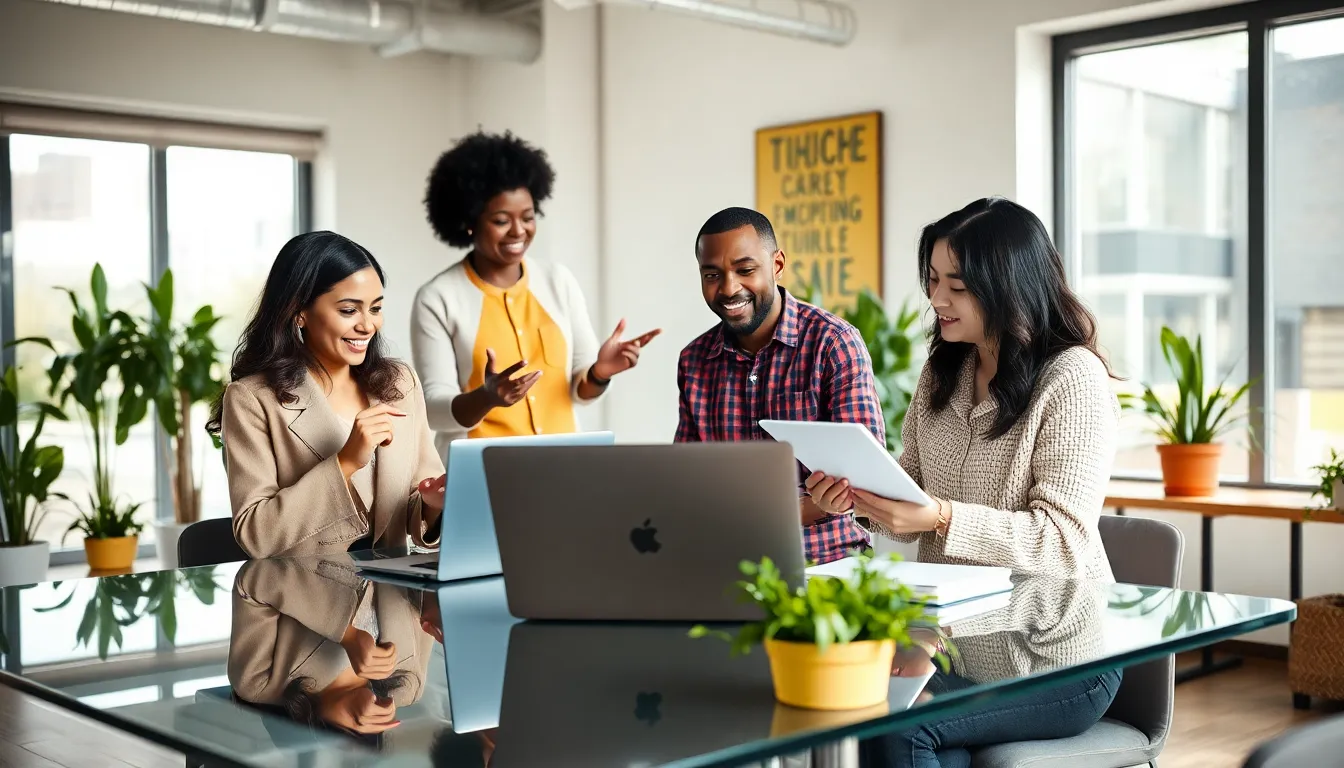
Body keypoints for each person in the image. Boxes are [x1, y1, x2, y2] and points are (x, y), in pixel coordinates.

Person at [804, 197, 1121, 767]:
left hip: (1061, 663)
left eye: (958, 285)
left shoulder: (1073, 378)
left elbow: (1064, 543)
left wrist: (942, 518)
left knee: (903, 731)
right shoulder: (943, 370)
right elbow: (914, 494)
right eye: (932, 280)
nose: (936, 299)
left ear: (1007, 284)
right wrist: (853, 500)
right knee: (861, 713)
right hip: (958, 653)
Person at [412, 130, 659, 454]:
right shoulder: (438, 298)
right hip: (482, 471)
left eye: (528, 217)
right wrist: (487, 397)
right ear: (469, 221)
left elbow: (578, 391)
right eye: (501, 220)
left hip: (562, 468)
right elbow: (433, 409)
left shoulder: (558, 281)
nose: (519, 230)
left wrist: (600, 372)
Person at [207, 231, 447, 559]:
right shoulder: (253, 399)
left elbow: (413, 509)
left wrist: (433, 505)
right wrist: (346, 461)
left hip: (393, 599)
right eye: (349, 310)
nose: (368, 325)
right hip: (304, 602)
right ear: (299, 312)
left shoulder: (400, 383)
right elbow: (256, 534)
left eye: (375, 309)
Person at [674, 206, 884, 565]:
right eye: (712, 274)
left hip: (828, 566)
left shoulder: (833, 343)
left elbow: (865, 483)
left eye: (745, 270)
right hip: (730, 567)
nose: (728, 288)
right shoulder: (694, 360)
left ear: (777, 265)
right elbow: (689, 484)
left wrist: (756, 515)